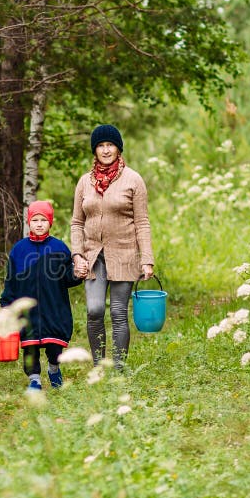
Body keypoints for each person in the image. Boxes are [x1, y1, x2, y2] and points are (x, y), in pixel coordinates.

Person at [71, 124, 155, 370]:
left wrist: (146, 258)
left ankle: (118, 370)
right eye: (101, 145)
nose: (106, 150)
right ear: (94, 150)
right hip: (93, 256)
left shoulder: (133, 179)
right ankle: (99, 367)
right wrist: (77, 254)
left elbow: (142, 222)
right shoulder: (85, 182)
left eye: (110, 145)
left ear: (118, 148)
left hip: (124, 254)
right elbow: (77, 222)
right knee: (95, 310)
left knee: (119, 313)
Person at [0, 201, 82, 390]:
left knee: (55, 347)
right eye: (35, 219)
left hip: (54, 308)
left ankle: (54, 368)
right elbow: (11, 280)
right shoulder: (19, 250)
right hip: (28, 311)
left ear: (50, 222)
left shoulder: (59, 248)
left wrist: (78, 273)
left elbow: (68, 278)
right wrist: (6, 304)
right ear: (29, 222)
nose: (39, 224)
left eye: (43, 220)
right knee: (30, 347)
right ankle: (34, 379)